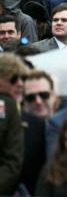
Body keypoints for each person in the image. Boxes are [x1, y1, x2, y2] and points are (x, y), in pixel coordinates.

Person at [0, 55, 26, 195]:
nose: (20, 84)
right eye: (14, 78)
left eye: (23, 79)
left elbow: (12, 162)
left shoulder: (10, 106)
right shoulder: (9, 105)